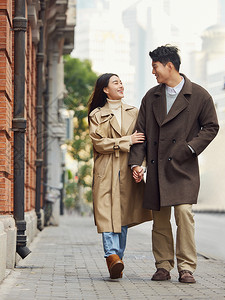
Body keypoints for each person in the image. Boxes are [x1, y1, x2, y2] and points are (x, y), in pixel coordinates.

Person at [129, 45, 219, 284]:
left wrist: (190, 148)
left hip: (182, 167)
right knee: (159, 219)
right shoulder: (151, 96)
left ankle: (186, 267)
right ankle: (163, 265)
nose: (153, 72)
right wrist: (136, 164)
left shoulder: (199, 95)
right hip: (157, 167)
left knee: (184, 213)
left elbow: (211, 127)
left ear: (170, 66)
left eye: (155, 67)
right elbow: (141, 133)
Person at [88, 73, 152, 279]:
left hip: (126, 167)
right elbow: (99, 143)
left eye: (121, 82)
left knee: (122, 216)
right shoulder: (96, 115)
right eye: (115, 82)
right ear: (105, 89)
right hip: (106, 169)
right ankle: (112, 256)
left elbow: (142, 142)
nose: (121, 85)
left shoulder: (135, 112)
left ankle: (117, 260)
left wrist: (139, 166)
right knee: (107, 214)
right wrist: (126, 140)